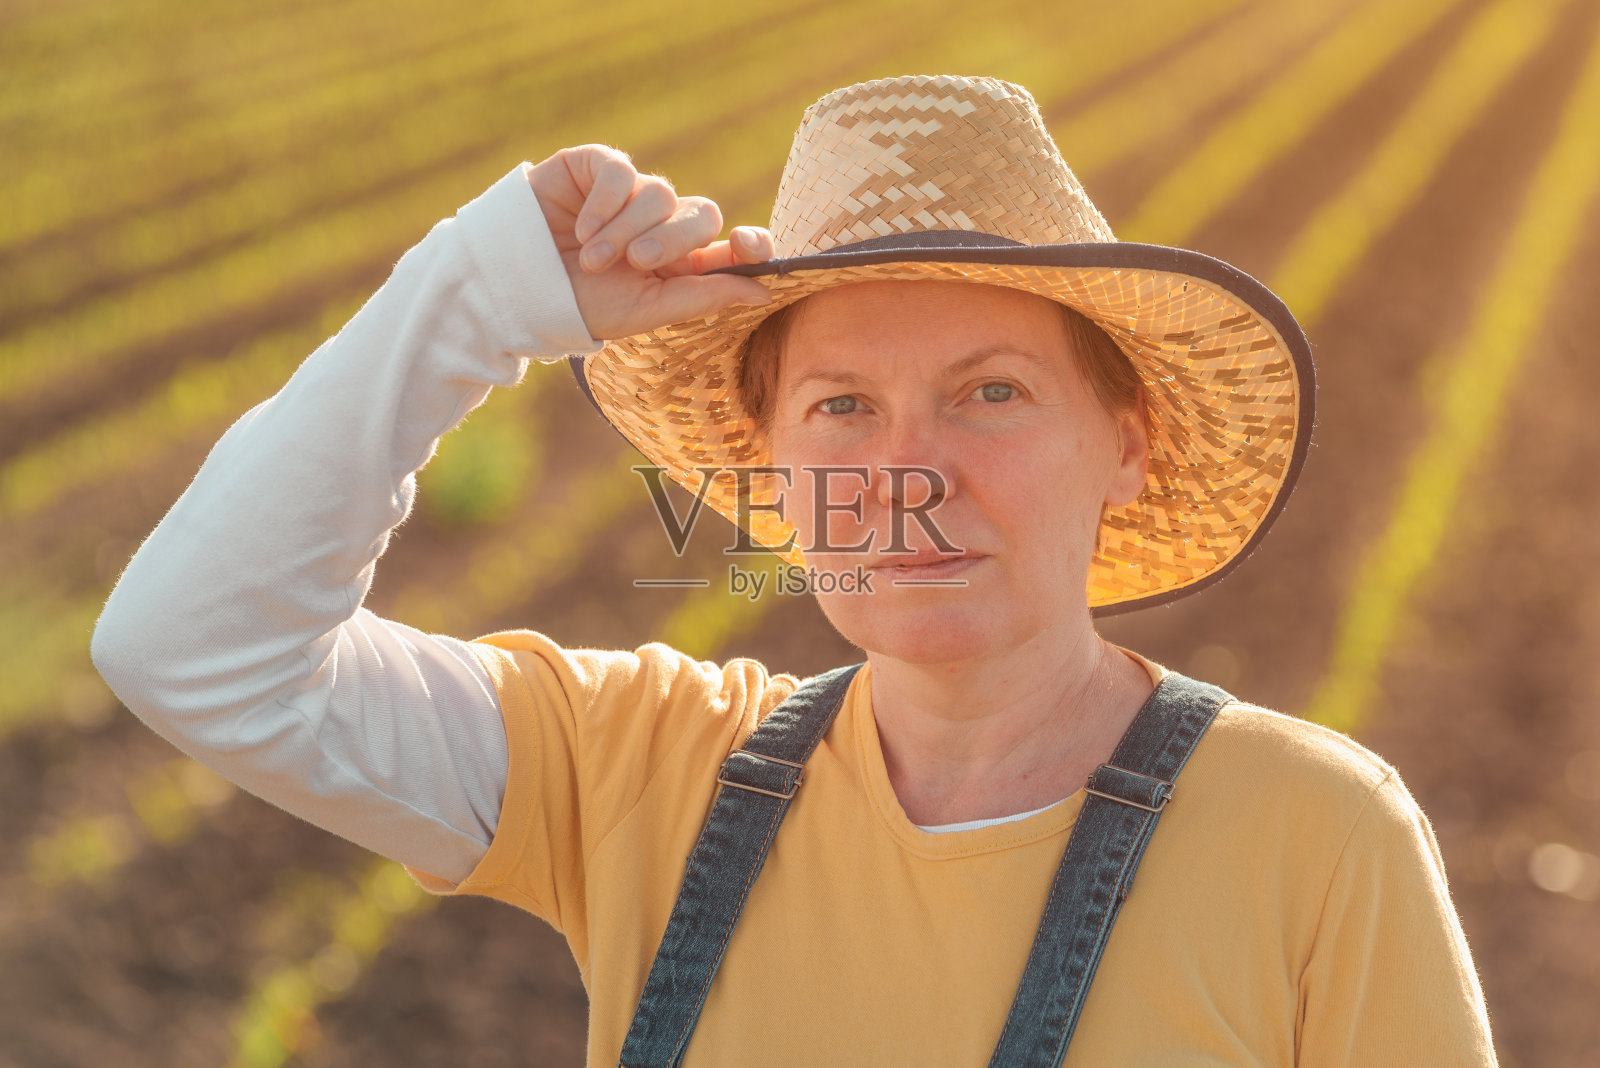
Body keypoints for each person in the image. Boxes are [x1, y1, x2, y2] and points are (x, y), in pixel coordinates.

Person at [92, 75, 1496, 1065]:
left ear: (1125, 445)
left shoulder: (1315, 838)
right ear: (769, 472)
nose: (910, 469)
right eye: (841, 408)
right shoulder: (642, 768)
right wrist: (475, 295)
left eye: (993, 392)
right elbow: (192, 651)